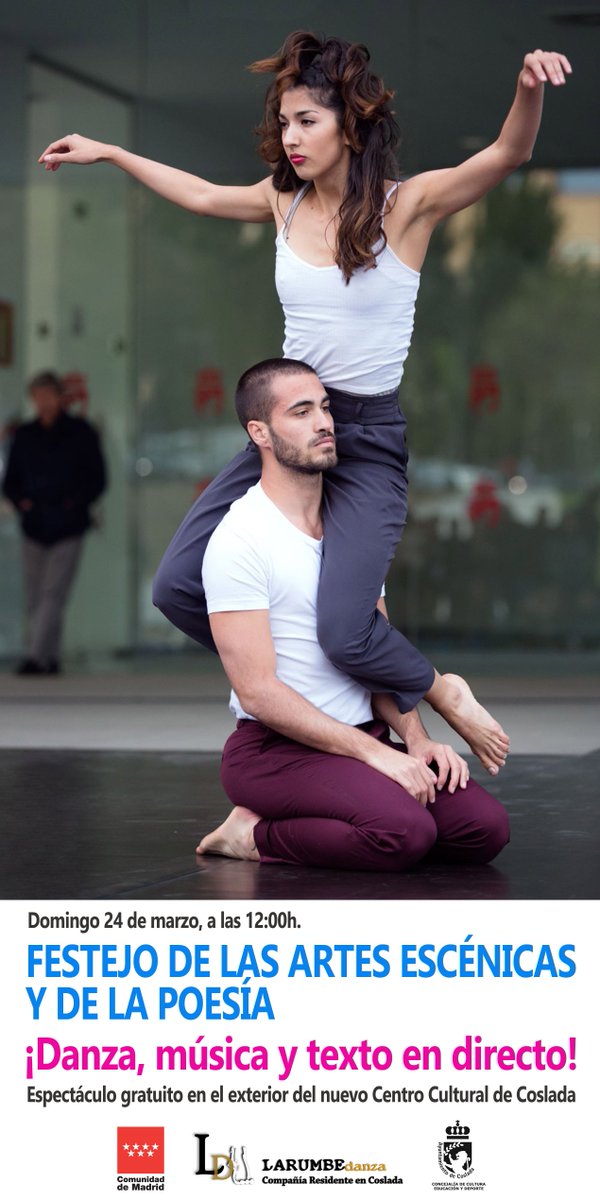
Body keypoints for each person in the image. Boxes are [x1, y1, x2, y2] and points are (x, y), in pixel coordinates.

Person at [38, 34, 571, 771]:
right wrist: (112, 151)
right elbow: (197, 192)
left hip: (367, 438)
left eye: (307, 122)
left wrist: (528, 87)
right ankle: (318, 700)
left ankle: (438, 690)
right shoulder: (280, 204)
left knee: (346, 629)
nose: (290, 138)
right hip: (288, 432)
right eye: (284, 123)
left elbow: (506, 155)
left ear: (348, 125)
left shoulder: (406, 207)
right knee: (177, 586)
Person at [197, 358, 509, 872]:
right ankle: (252, 834)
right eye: (300, 412)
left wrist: (415, 739)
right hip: (275, 753)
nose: (323, 422)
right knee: (402, 833)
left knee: (483, 830)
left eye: (324, 407)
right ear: (261, 433)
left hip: (365, 734)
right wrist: (376, 756)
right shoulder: (239, 539)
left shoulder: (350, 532)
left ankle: (361, 796)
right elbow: (257, 692)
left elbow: (374, 648)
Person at [2, 371, 106, 675]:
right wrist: (23, 503)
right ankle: (49, 657)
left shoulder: (80, 432)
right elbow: (11, 481)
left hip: (68, 524)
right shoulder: (25, 434)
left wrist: (74, 503)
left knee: (53, 591)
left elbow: (97, 479)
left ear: (61, 397)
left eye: (48, 395)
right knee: (36, 593)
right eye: (38, 396)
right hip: (34, 524)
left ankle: (35, 656)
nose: (43, 402)